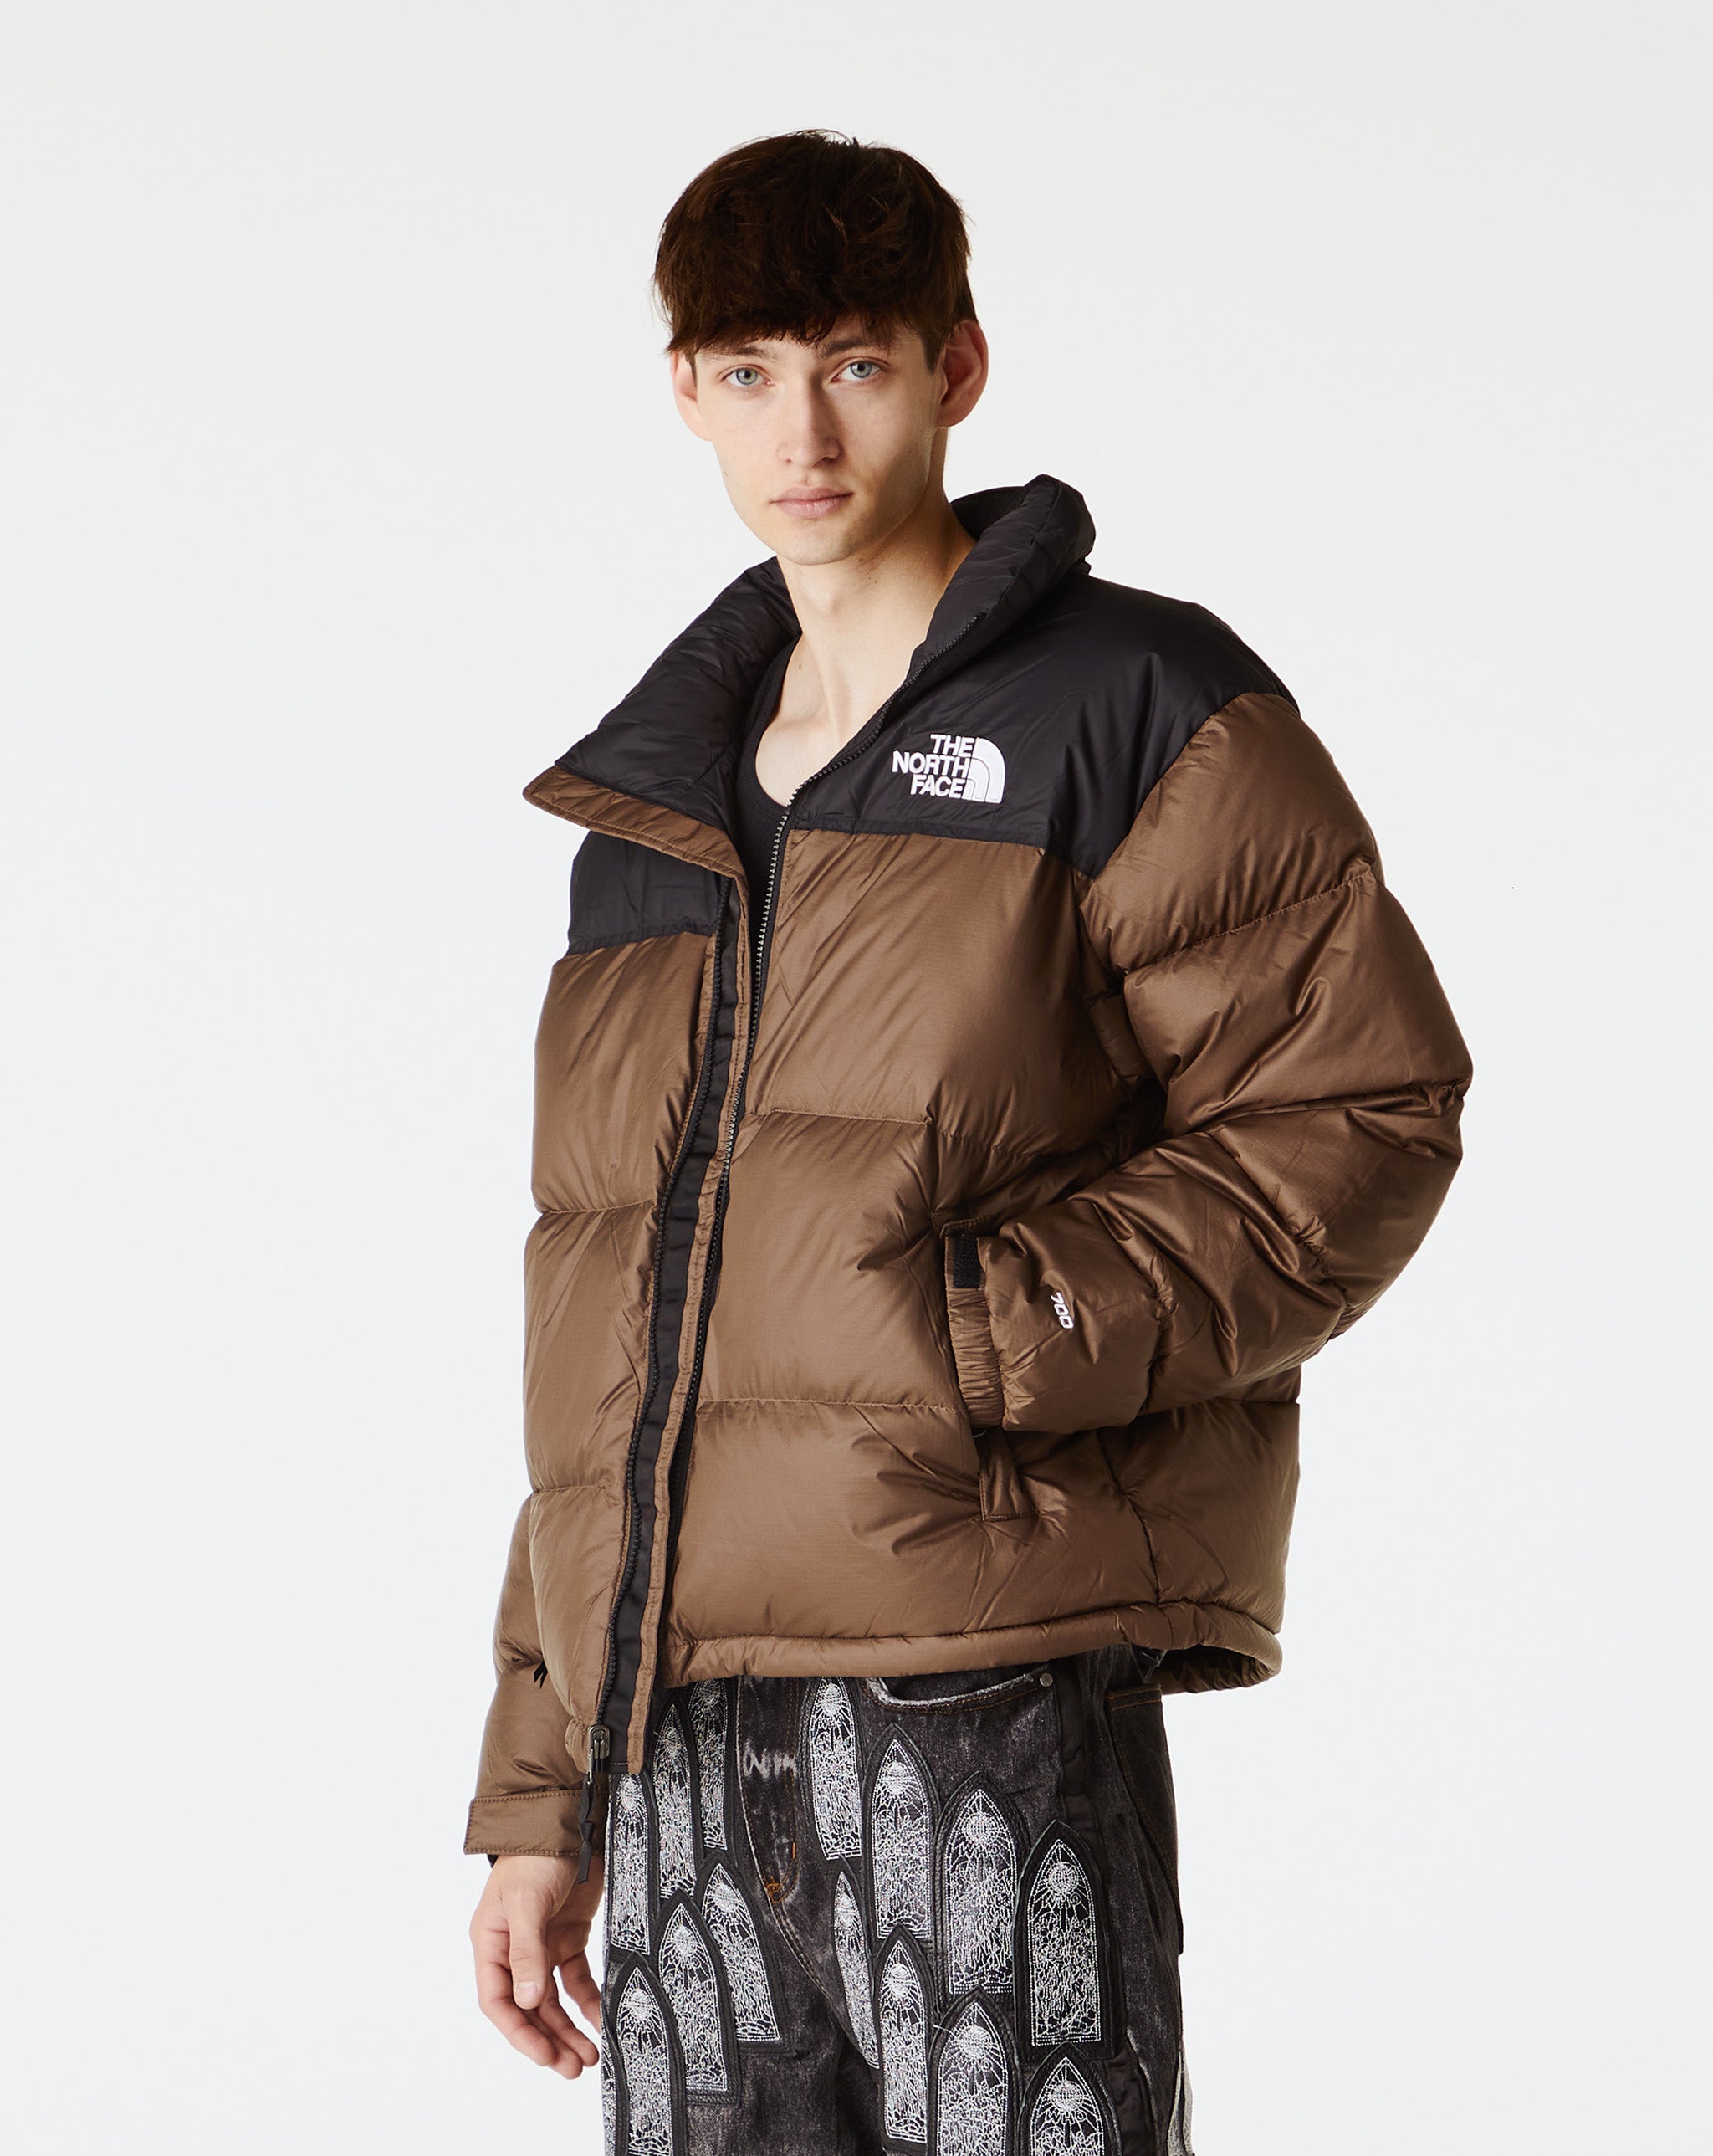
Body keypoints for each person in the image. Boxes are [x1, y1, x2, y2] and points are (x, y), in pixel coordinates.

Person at [463, 129, 1471, 2155]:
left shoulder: (1134, 705)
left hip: (977, 1687)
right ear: (685, 392)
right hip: (673, 1734)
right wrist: (539, 1790)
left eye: (855, 362)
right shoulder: (651, 813)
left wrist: (986, 1336)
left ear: (957, 367)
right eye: (748, 372)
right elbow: (616, 1335)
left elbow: (1358, 1107)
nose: (803, 430)